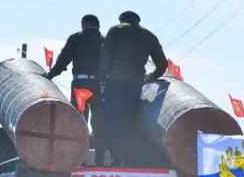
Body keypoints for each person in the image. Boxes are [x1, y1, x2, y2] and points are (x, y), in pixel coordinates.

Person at [98, 11, 167, 167]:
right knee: (130, 121)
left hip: (115, 84)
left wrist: (102, 80)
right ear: (137, 21)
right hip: (136, 85)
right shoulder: (150, 36)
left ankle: (115, 158)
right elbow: (163, 64)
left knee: (114, 119)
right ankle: (129, 159)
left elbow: (105, 57)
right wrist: (152, 76)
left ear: (122, 20)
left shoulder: (116, 30)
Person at [46, 14, 108, 167]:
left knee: (80, 121)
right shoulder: (105, 41)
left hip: (81, 87)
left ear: (84, 25)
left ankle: (80, 159)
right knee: (98, 122)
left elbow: (63, 60)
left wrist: (50, 75)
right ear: (97, 26)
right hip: (99, 87)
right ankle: (100, 160)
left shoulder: (76, 38)